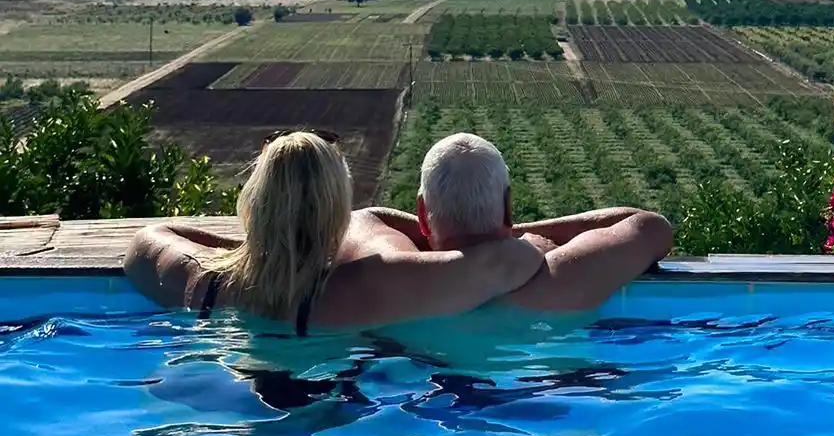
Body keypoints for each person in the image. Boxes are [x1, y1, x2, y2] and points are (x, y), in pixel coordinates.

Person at [123, 130, 547, 331]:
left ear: (254, 200)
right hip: (325, 414)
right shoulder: (362, 285)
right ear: (337, 209)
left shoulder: (205, 283)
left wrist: (257, 248)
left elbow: (148, 239)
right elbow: (511, 259)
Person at [399, 131, 673, 311]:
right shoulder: (557, 278)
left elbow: (375, 217)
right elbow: (652, 227)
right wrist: (515, 235)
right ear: (508, 207)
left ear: (422, 214)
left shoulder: (398, 287)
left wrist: (446, 236)